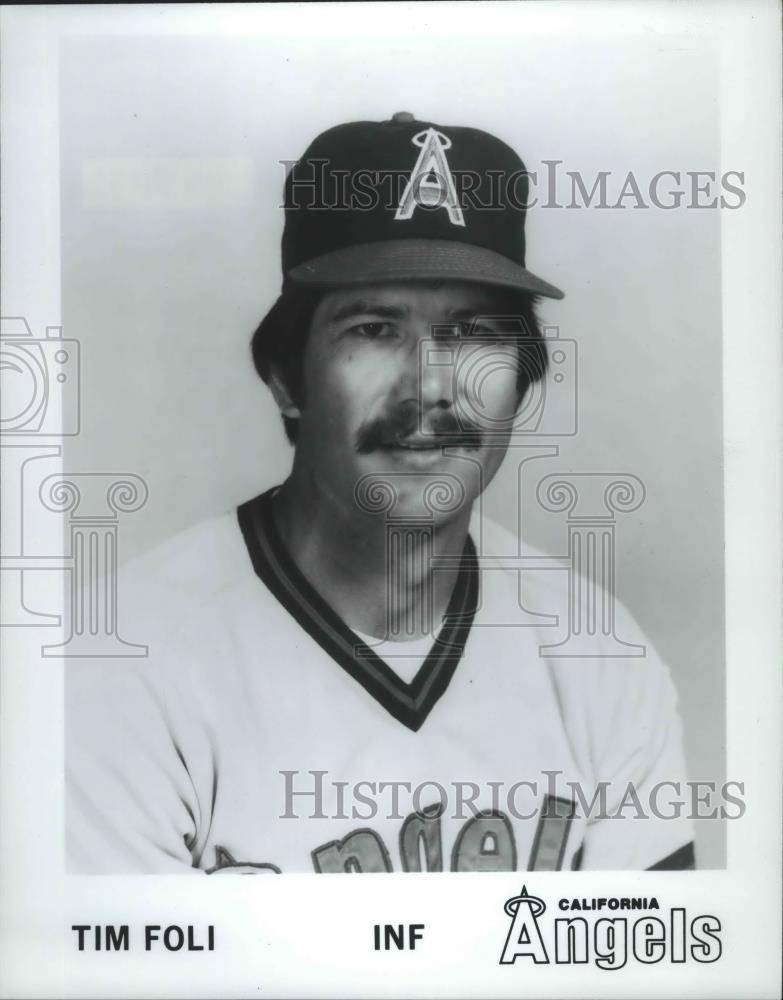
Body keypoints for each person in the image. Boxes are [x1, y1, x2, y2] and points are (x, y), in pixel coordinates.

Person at [66, 113, 695, 873]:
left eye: (472, 333)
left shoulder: (598, 652)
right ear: (285, 377)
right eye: (372, 328)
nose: (431, 386)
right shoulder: (115, 665)